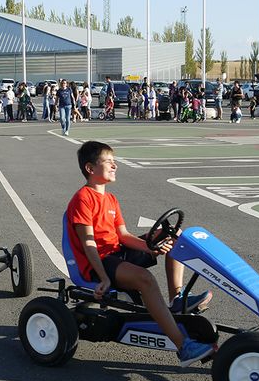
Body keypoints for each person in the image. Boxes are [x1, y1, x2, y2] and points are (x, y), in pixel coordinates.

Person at [66, 141, 215, 366]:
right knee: (146, 280)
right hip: (98, 262)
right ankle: (184, 347)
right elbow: (89, 245)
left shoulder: (111, 199)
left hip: (118, 252)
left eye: (114, 162)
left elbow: (123, 235)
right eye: (108, 162)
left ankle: (176, 298)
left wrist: (151, 247)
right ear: (90, 168)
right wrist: (104, 278)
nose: (115, 165)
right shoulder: (83, 198)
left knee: (175, 236)